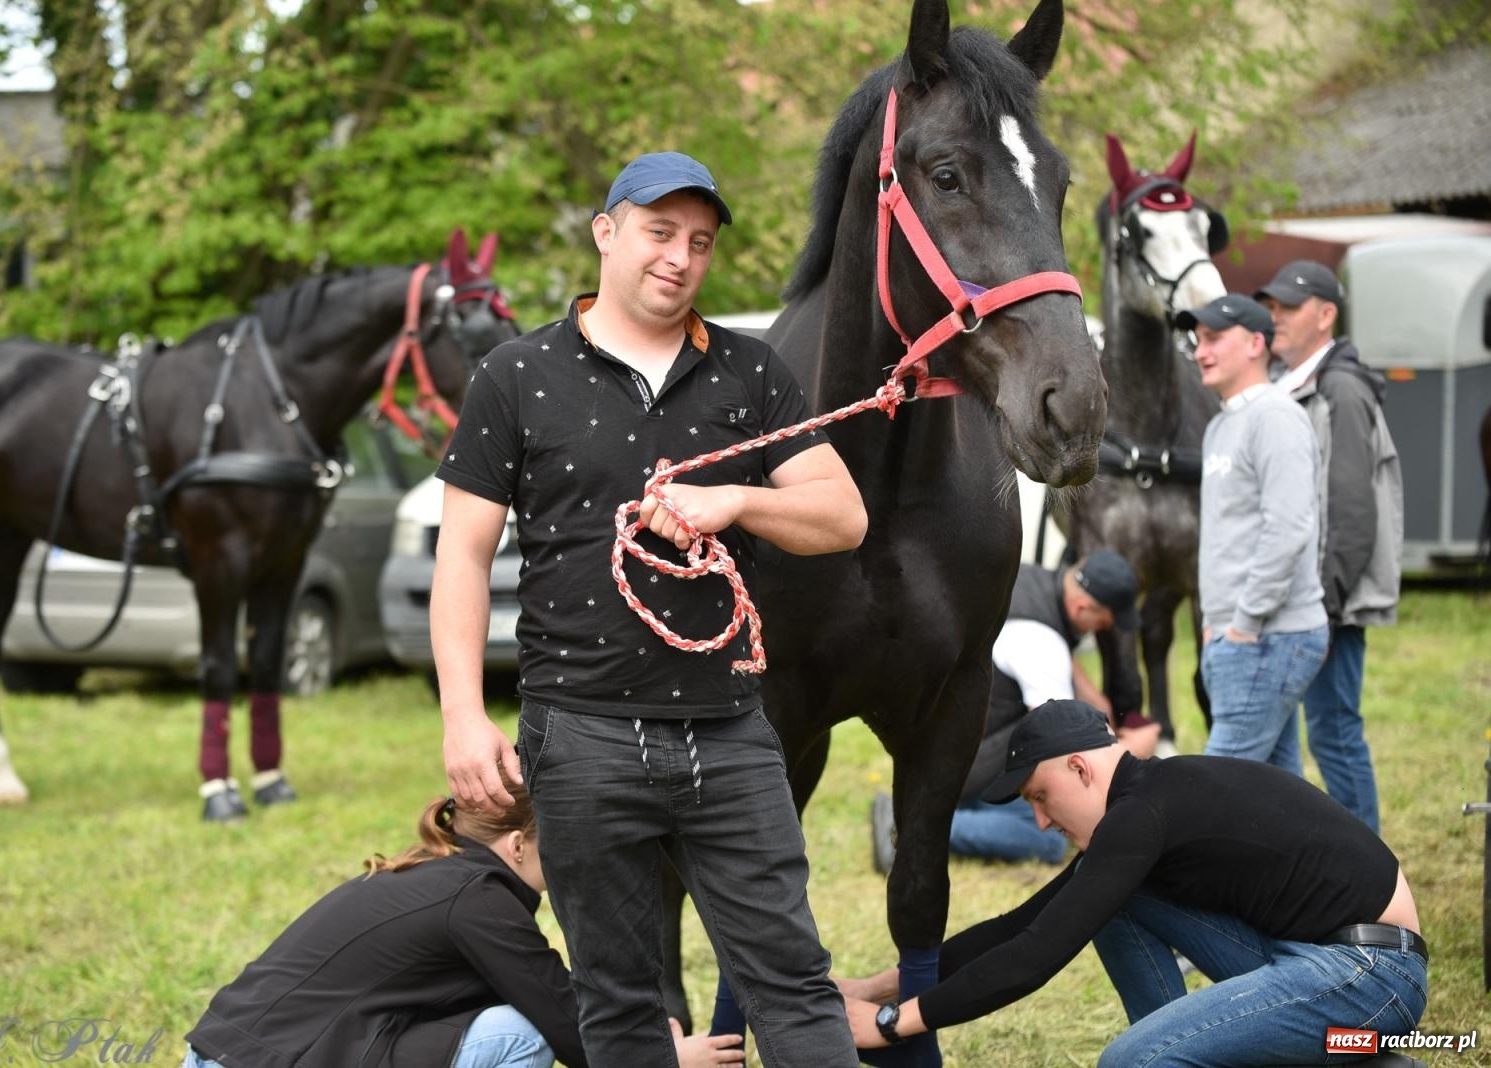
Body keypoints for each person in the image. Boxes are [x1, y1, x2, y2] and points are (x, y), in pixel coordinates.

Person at [429, 151, 867, 1065]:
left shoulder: (752, 374)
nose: (679, 257)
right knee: (619, 998)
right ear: (607, 232)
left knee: (791, 978)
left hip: (731, 731)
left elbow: (843, 516)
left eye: (699, 242)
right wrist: (465, 720)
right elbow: (462, 558)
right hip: (579, 734)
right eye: (660, 232)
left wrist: (738, 501)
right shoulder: (515, 374)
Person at [840, 700, 1429, 1065]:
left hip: (1371, 975)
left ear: (1079, 767)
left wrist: (895, 1025)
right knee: (1116, 908)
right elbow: (1023, 925)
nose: (1040, 820)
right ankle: (1339, 1057)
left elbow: (1034, 957)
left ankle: (1347, 1052)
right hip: (1317, 957)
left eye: (1041, 797)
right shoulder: (1144, 806)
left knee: (1133, 1062)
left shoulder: (1142, 816)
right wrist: (878, 988)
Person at [183, 780, 745, 1068]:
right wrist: (667, 1058)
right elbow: (568, 1025)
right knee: (519, 1032)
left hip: (228, 1052)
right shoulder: (479, 900)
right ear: (518, 844)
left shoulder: (442, 873)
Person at [871, 550, 1158, 870]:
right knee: (1047, 837)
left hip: (935, 747)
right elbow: (1058, 744)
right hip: (962, 768)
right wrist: (1129, 750)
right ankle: (908, 829)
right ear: (1082, 608)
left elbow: (1048, 645)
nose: (1100, 632)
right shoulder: (1042, 645)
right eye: (1102, 625)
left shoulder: (1022, 581)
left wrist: (1094, 699)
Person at [1257, 260, 1402, 834]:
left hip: (1325, 600)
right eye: (1270, 308)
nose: (1276, 319)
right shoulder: (1283, 382)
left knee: (1334, 731)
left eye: (1289, 308)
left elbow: (1351, 505)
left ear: (1326, 314)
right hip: (1296, 597)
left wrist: (1327, 601)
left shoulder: (1340, 385)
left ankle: (1371, 884)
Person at [1181, 294, 1327, 772]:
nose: (1201, 351)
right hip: (1237, 637)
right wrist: (1213, 624)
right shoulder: (1221, 426)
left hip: (1267, 637)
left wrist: (1244, 622)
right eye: (1198, 340)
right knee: (1279, 795)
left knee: (1216, 787)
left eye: (1215, 339)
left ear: (1255, 343)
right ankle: (1316, 851)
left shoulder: (1276, 417)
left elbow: (1289, 528)